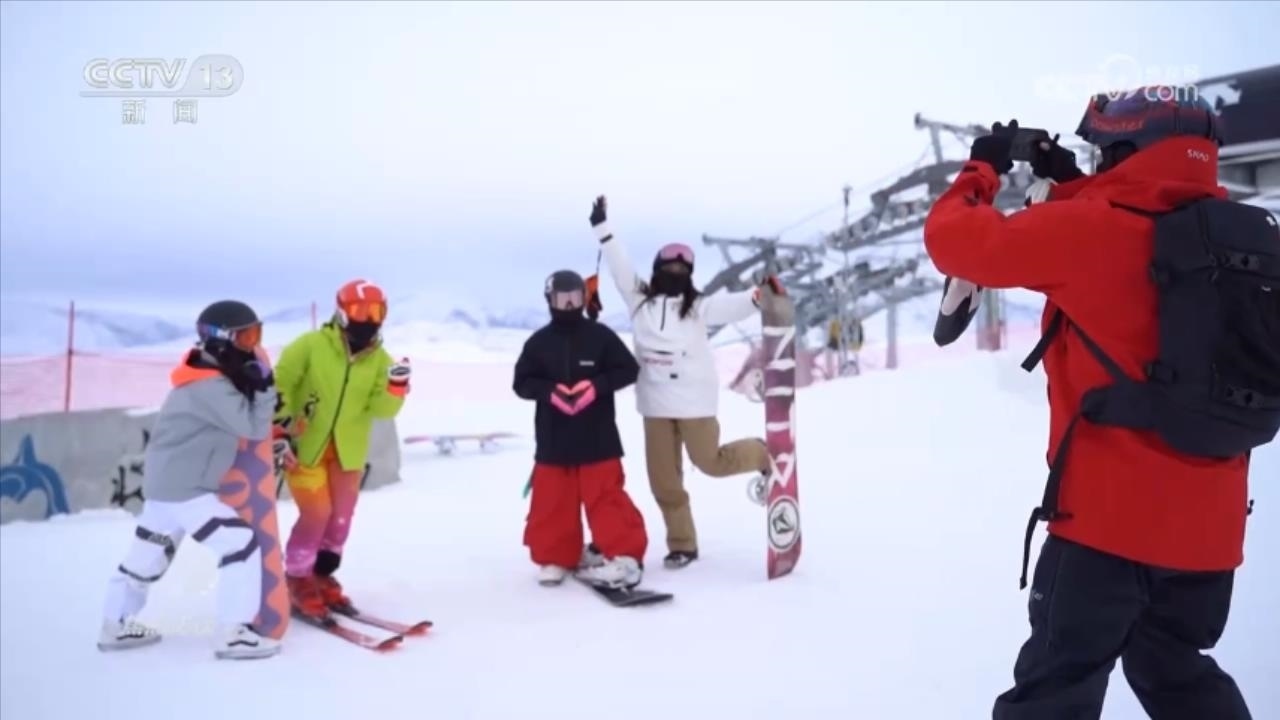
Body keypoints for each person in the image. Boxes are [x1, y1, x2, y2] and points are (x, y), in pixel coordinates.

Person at [924, 88, 1278, 720]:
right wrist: (1071, 180)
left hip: (1104, 532)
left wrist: (981, 169)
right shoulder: (1238, 243)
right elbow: (1131, 213)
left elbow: (955, 241)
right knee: (1176, 673)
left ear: (1126, 149)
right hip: (1209, 537)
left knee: (1053, 694)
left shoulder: (1090, 232)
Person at [589, 195, 784, 569]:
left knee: (710, 462)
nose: (675, 272)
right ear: (657, 270)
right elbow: (620, 268)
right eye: (669, 266)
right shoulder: (639, 301)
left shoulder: (698, 306)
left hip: (695, 402)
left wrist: (757, 296)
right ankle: (683, 544)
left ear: (690, 274)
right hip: (655, 404)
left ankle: (761, 454)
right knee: (664, 481)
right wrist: (604, 230)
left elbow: (732, 305)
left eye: (682, 268)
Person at [98, 300, 281, 660]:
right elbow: (252, 426)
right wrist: (264, 388)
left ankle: (114, 623)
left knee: (147, 556)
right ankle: (233, 633)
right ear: (221, 339)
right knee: (240, 544)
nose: (252, 345)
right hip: (187, 492)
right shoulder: (209, 386)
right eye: (245, 337)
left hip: (165, 487)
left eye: (256, 335)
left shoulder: (201, 376)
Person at [272, 279, 411, 619]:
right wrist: (279, 428)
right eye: (360, 311)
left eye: (376, 311)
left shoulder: (380, 360)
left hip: (347, 453)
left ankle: (322, 575)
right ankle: (298, 578)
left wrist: (396, 387)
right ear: (342, 312)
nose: (369, 319)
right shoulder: (309, 346)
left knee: (340, 520)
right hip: (305, 448)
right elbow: (279, 385)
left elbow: (382, 410)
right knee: (316, 514)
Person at [513, 269, 649, 588]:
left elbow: (628, 370)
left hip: (597, 438)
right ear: (550, 300)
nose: (569, 305)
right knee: (552, 502)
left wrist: (596, 386)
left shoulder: (600, 337)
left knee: (607, 499)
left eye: (575, 298)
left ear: (584, 299)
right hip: (553, 440)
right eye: (562, 299)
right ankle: (556, 557)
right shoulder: (538, 343)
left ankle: (625, 556)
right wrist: (549, 391)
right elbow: (521, 383)